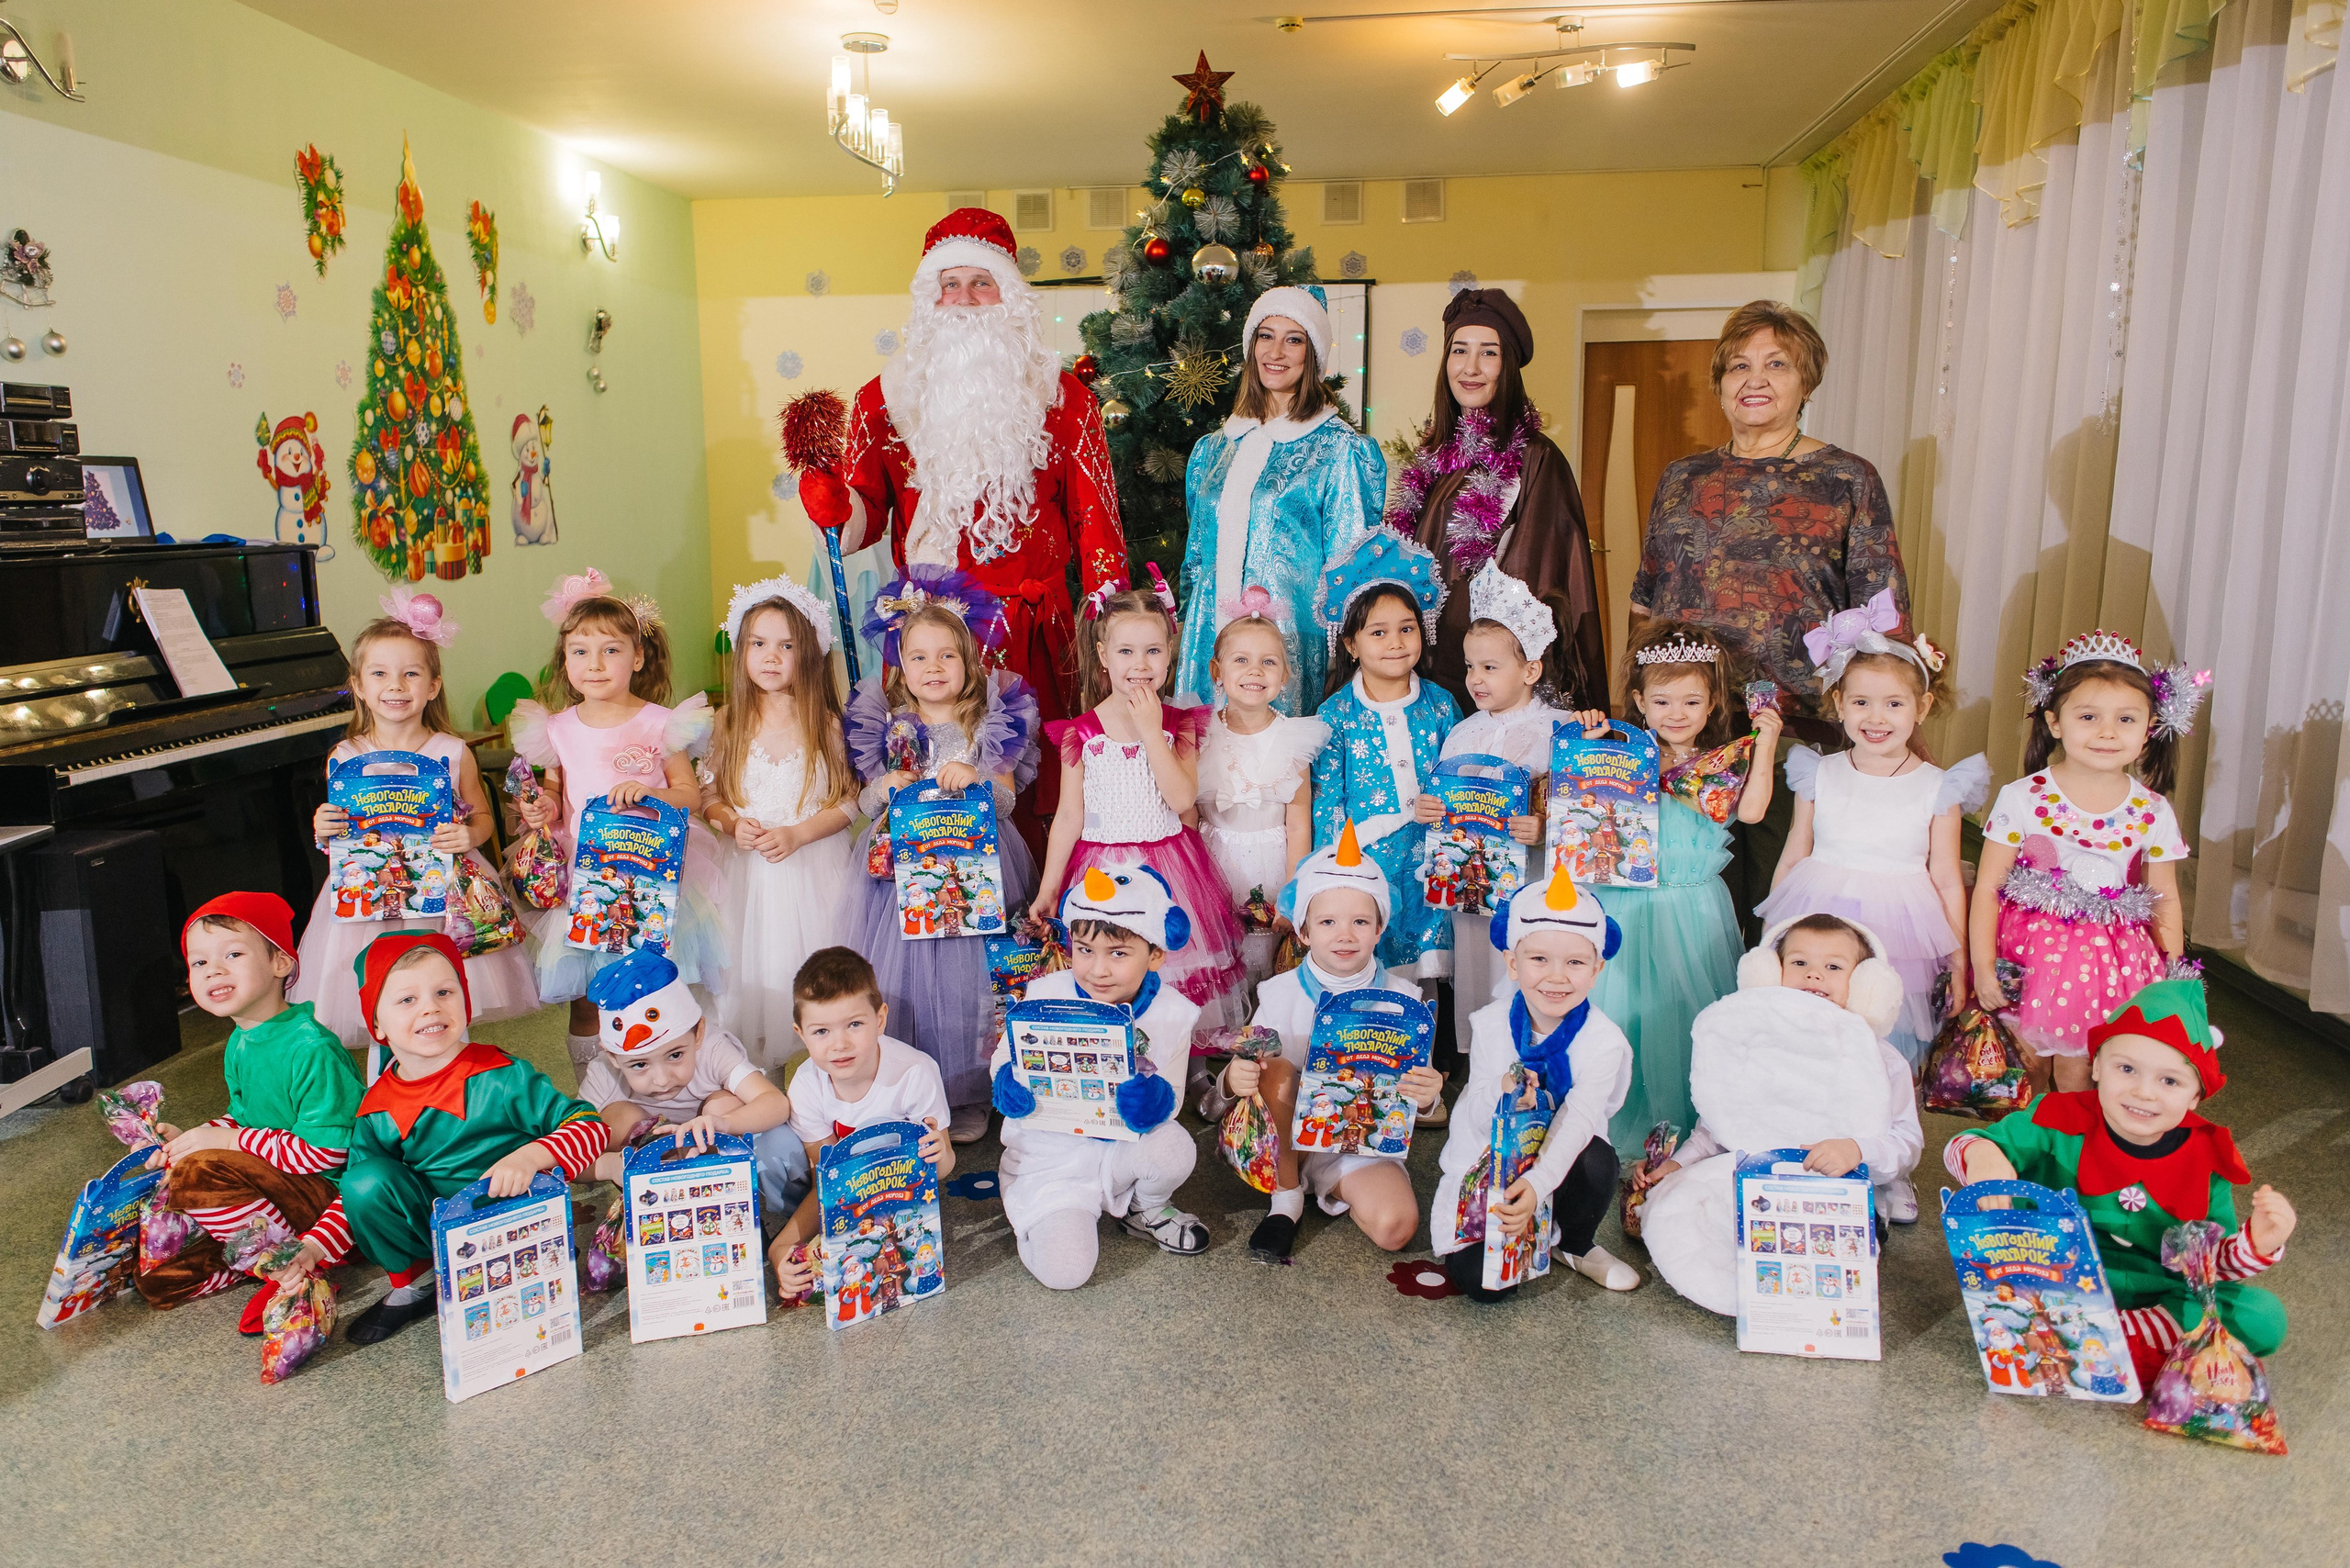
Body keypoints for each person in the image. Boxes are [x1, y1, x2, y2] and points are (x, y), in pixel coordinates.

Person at [798, 207, 1129, 844]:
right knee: (924, 792)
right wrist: (835, 506)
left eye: (982, 282)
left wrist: (1112, 643)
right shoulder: (882, 401)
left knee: (1044, 796)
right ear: (930, 298)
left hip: (1036, 638)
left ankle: (1041, 903)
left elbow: (1099, 529)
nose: (966, 299)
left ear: (1010, 296)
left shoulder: (1066, 399)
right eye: (950, 285)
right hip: (929, 638)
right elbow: (861, 523)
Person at [1626, 300, 1909, 921]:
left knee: (1782, 905)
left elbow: (1884, 614)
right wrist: (1636, 705)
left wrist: (1881, 722)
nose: (1754, 379)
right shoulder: (1682, 478)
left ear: (1806, 382)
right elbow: (1646, 597)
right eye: (1738, 366)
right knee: (1690, 899)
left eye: (1776, 364)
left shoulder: (1847, 478)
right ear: (1720, 384)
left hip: (1795, 732)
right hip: (1685, 733)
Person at [1949, 979, 2293, 1390]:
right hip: (2056, 1278)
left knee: (2262, 1318)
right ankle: (2128, 1345)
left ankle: (2112, 1335)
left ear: (2196, 1096)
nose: (2143, 1092)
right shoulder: (2056, 1116)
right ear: (2096, 1067)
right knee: (2003, 1282)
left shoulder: (2206, 1159)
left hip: (2157, 1294)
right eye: (2126, 1069)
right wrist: (1982, 1154)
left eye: (2169, 1081)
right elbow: (1963, 1147)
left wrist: (2259, 1243)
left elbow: (2209, 1268)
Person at [306, 933, 609, 1345]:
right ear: (376, 1024)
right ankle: (417, 1285)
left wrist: (531, 1156)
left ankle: (531, 1261)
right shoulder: (376, 1109)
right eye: (407, 999)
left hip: (516, 1216)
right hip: (440, 1226)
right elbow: (353, 1197)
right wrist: (314, 1249)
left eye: (444, 992)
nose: (430, 1007)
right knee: (364, 1181)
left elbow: (590, 1126)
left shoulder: (501, 1075)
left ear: (465, 1001)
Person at [1634, 914, 1925, 1310]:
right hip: (1750, 1178)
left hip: (1833, 1191)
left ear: (1864, 984)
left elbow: (1906, 1143)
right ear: (1770, 974)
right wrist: (1678, 1164)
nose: (1814, 975)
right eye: (1799, 963)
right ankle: (1741, 1292)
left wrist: (1857, 1150)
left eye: (1833, 967)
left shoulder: (1881, 1060)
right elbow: (1717, 1127)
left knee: (1824, 1254)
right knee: (1677, 1215)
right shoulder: (1751, 1045)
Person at [290, 588, 536, 1053]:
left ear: (433, 685)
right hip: (369, 901)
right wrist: (324, 825)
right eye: (380, 673)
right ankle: (388, 1087)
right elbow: (338, 832)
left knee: (443, 999)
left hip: (441, 898)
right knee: (379, 1000)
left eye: (411, 673)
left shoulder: (453, 752)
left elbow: (484, 818)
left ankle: (448, 1080)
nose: (396, 686)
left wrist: (469, 834)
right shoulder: (344, 757)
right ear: (359, 685)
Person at [843, 570, 1041, 1142]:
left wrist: (975, 776)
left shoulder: (988, 720)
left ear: (969, 662)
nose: (934, 667)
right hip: (902, 874)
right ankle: (913, 1087)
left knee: (973, 982)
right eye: (919, 656)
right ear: (901, 666)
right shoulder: (887, 724)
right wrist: (886, 788)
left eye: (947, 655)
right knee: (905, 982)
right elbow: (865, 800)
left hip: (976, 868)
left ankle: (968, 1089)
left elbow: (1007, 797)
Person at [1759, 593, 1986, 1085]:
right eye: (1861, 702)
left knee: (1884, 1038)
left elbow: (1947, 877)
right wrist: (1770, 934)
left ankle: (1877, 1122)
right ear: (1839, 703)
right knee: (1813, 1034)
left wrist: (1958, 959)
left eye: (1894, 704)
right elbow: (1794, 855)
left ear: (1922, 708)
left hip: (1902, 925)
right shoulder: (1819, 772)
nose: (1876, 718)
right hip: (1820, 913)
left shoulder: (1937, 786)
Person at [509, 569, 728, 1070]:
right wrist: (542, 806)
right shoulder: (556, 729)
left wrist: (653, 793)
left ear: (638, 656)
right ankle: (594, 1085)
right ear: (565, 661)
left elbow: (689, 794)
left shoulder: (660, 723)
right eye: (580, 651)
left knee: (655, 984)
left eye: (610, 650)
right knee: (587, 995)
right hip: (584, 875)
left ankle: (667, 1080)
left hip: (650, 871)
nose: (595, 664)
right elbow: (554, 791)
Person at [1971, 631, 2207, 1095]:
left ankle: (2073, 1142)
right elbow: (1987, 887)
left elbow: (2165, 897)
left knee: (2082, 1074)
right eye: (2088, 716)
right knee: (2022, 1068)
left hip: (2111, 965)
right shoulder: (2022, 797)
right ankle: (2026, 1140)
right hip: (2028, 955)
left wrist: (2174, 977)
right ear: (2055, 722)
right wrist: (1982, 965)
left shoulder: (2153, 810)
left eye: (2125, 719)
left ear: (2150, 727)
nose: (2107, 732)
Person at [1206, 826, 1444, 1261]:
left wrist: (1428, 1099)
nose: (1345, 935)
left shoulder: (1406, 1002)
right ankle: (1287, 1199)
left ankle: (1338, 1185)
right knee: (1274, 1068)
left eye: (1360, 922)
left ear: (1379, 929)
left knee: (1396, 1228)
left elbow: (1416, 1092)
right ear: (1304, 931)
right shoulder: (1277, 993)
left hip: (1359, 1141)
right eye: (1328, 922)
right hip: (1287, 1140)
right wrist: (1232, 1079)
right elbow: (1231, 1090)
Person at [1590, 621, 1779, 1154]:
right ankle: (1615, 1114)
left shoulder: (1720, 764)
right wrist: (1587, 740)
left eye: (1692, 702)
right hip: (1627, 901)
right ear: (1639, 702)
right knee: (1625, 1008)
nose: (1677, 713)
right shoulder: (1621, 757)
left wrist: (1765, 743)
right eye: (1662, 701)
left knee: (1689, 1012)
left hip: (1695, 905)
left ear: (1712, 702)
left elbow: (1753, 811)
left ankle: (1691, 1129)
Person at [136, 894, 364, 1334]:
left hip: (330, 1200)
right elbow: (244, 1119)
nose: (213, 971)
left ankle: (294, 1267)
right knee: (158, 1282)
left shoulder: (311, 1047)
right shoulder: (241, 1042)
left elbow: (330, 1153)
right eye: (199, 963)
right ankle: (254, 1263)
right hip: (277, 1186)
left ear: (280, 962)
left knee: (200, 1173)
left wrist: (226, 1143)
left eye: (233, 955)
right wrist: (193, 1137)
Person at [1035, 578, 1248, 1031]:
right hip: (1100, 870)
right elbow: (1069, 816)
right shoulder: (1082, 732)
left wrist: (1152, 731)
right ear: (1103, 656)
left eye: (1153, 650)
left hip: (1169, 869)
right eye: (1126, 651)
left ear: (1170, 654)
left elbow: (1182, 799)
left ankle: (1180, 1060)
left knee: (1172, 972)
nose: (1140, 664)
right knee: (1111, 968)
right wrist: (1049, 888)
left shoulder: (1178, 724)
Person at [989, 864, 1209, 1288]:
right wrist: (1007, 1082)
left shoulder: (1174, 1012)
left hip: (1120, 1151)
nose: (1097, 970)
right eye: (1085, 950)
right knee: (1066, 1273)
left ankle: (1144, 1208)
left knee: (1175, 1147)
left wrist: (1152, 1102)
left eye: (1119, 954)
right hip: (1052, 1160)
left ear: (1156, 954)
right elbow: (1003, 1056)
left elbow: (1174, 1098)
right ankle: (1042, 1219)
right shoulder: (1045, 993)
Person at [1419, 562, 1607, 1047]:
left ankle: (1540, 1050)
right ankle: (1485, 1056)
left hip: (1533, 881)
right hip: (1474, 887)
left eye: (1489, 667)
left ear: (1530, 670)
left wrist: (1544, 828)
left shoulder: (1561, 730)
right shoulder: (1462, 734)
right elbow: (1447, 807)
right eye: (1469, 667)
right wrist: (1430, 813)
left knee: (1530, 963)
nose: (1475, 679)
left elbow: (1585, 812)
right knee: (1483, 967)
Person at [1430, 868, 1640, 1301]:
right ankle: (1532, 1229)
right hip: (1495, 1160)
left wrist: (1538, 1184)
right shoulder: (1490, 1025)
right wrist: (1502, 1090)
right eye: (1539, 959)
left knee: (1597, 1158)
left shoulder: (1604, 1041)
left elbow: (1580, 1119)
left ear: (1596, 970)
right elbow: (1473, 1118)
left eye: (1575, 962)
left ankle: (1575, 1243)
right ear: (1513, 963)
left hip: (1559, 1166)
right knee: (1481, 1284)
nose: (1557, 977)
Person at [1173, 286, 1385, 712]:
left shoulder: (1338, 448)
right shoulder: (1214, 449)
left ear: (1313, 354)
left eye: (1294, 340)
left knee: (1275, 749)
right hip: (1207, 636)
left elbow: (1351, 565)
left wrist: (1342, 657)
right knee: (1205, 748)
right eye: (1266, 336)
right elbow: (1195, 555)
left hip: (1287, 640)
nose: (1276, 352)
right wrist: (1181, 624)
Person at [1392, 287, 1604, 714]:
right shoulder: (1437, 458)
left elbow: (1540, 581)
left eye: (1488, 353)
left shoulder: (1536, 458)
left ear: (1508, 366)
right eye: (1459, 350)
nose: (1470, 367)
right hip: (1426, 675)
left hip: (1494, 682)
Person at [699, 577, 856, 1069]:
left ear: (808, 654)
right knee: (752, 982)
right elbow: (708, 795)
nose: (771, 657)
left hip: (813, 872)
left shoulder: (826, 724)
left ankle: (822, 1082)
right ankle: (762, 1087)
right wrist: (730, 823)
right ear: (741, 651)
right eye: (758, 644)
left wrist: (798, 833)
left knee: (816, 984)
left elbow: (849, 803)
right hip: (745, 877)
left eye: (786, 646)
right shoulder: (726, 721)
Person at [1308, 530, 1460, 1014]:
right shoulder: (1336, 715)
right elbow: (1327, 801)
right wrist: (1337, 870)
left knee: (1428, 975)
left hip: (1433, 862)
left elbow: (1460, 778)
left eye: (1406, 628)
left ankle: (1425, 1048)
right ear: (1350, 643)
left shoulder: (1441, 705)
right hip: (1367, 866)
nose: (1396, 642)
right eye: (1378, 632)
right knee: (1372, 975)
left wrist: (1447, 808)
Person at [768, 947, 954, 1295]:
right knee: (772, 1147)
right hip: (849, 1198)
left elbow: (943, 1169)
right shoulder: (806, 1085)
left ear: (880, 1019)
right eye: (821, 1031)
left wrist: (938, 1153)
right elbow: (827, 1183)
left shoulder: (915, 1072)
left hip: (904, 1196)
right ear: (801, 1033)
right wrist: (781, 1247)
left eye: (854, 1025)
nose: (840, 1044)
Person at [577, 948, 805, 1229]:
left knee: (723, 1104)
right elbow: (563, 1155)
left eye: (675, 1055)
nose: (662, 1079)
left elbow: (775, 1103)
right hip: (651, 1176)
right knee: (617, 1118)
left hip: (712, 1156)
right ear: (612, 1057)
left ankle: (726, 1199)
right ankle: (660, 1206)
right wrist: (609, 1165)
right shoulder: (603, 1073)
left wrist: (723, 1123)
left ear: (698, 1034)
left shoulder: (713, 1048)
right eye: (639, 1065)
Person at [1194, 589, 1327, 998]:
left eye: (1269, 662)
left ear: (1284, 676)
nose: (1255, 670)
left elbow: (1298, 823)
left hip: (1272, 865)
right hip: (1212, 864)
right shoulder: (1199, 733)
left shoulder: (1295, 739)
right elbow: (1187, 816)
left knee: (1265, 961)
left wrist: (1292, 894)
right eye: (1241, 660)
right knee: (1221, 961)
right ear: (1217, 671)